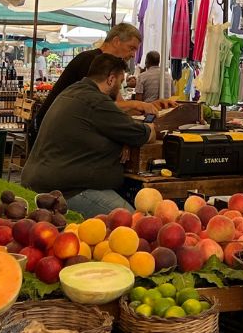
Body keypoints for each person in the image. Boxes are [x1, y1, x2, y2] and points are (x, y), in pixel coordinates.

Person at [22, 52, 155, 218]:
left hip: (43, 180)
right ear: (111, 79)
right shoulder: (97, 101)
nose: (119, 88)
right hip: (67, 190)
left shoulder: (73, 91)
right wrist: (151, 128)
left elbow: (104, 128)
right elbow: (140, 134)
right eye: (120, 82)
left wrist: (123, 141)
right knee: (135, 223)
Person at [33, 23, 173, 132]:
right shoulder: (91, 61)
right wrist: (138, 104)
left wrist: (153, 107)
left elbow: (119, 106)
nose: (133, 55)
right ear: (116, 41)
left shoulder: (112, 68)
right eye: (131, 48)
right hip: (55, 128)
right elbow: (99, 106)